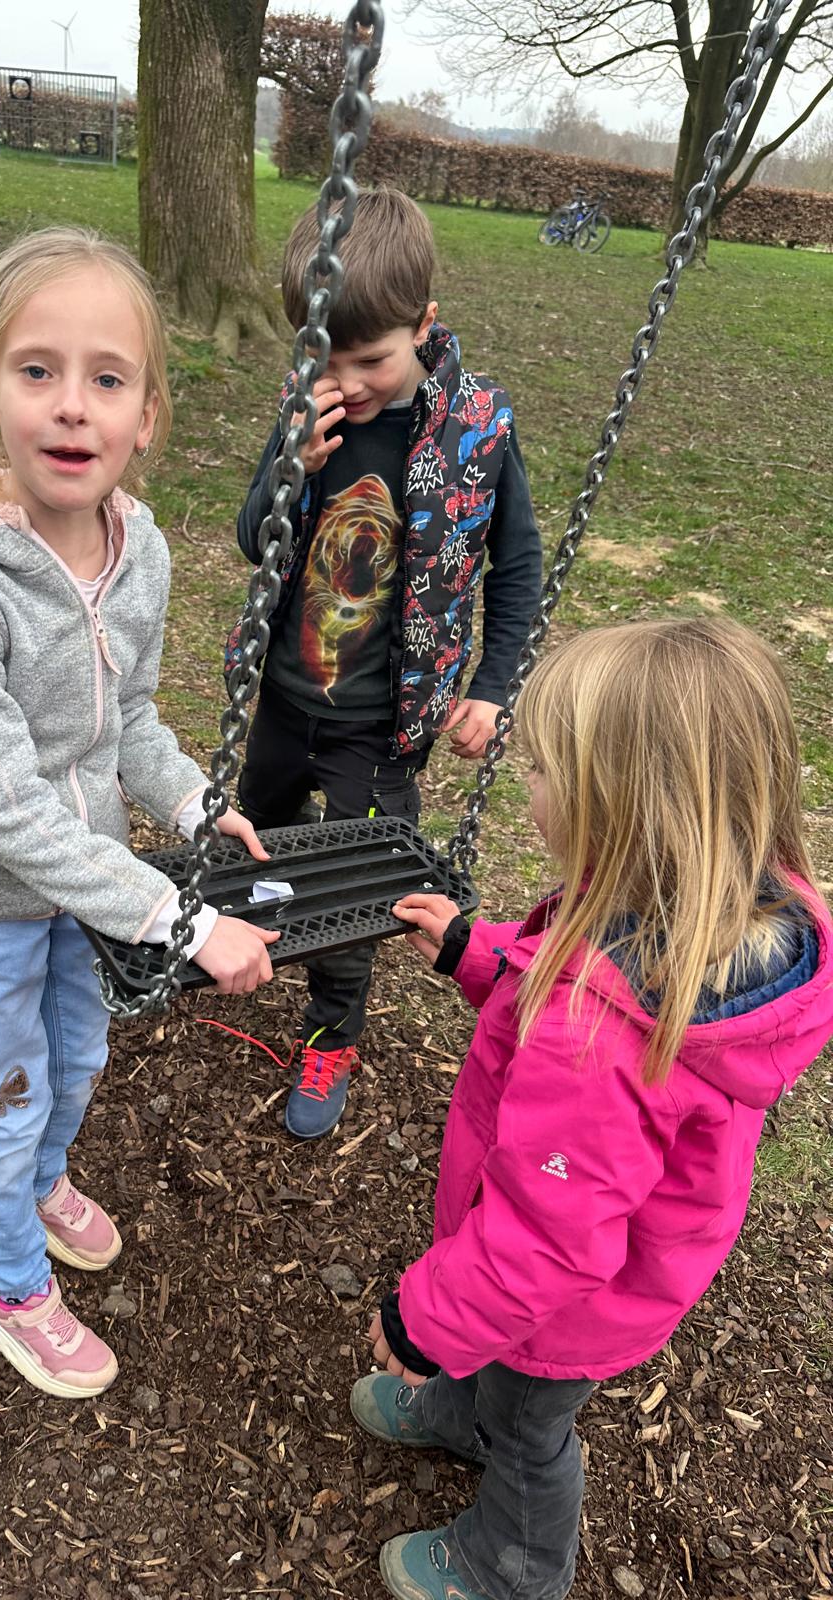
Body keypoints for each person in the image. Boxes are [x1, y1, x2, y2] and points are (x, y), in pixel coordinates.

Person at [352, 617, 833, 1600]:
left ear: (616, 810)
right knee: (495, 1369)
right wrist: (477, 953)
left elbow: (547, 1239)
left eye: (541, 773)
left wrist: (425, 1321)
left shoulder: (599, 1039)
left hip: (570, 1307)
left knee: (528, 1423)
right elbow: (564, 970)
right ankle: (458, 1409)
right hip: (618, 1256)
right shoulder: (716, 906)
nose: (526, 789)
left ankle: (513, 1564)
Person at [0, 227, 279, 1400]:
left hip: (90, 880)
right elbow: (6, 809)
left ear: (146, 416)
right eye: (36, 370)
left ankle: (42, 1181)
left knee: (80, 1053)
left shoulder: (136, 549)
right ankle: (5, 1284)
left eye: (106, 378)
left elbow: (129, 720)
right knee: (5, 1091)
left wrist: (195, 803)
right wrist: (180, 918)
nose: (70, 405)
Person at [227, 186, 542, 1140]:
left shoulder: (478, 429)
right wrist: (291, 465)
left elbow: (517, 567)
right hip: (285, 697)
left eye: (371, 360)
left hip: (383, 722)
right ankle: (245, 939)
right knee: (257, 841)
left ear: (424, 325)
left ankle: (331, 1035)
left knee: (358, 890)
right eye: (326, 357)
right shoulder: (309, 410)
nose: (348, 381)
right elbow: (253, 538)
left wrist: (494, 687)